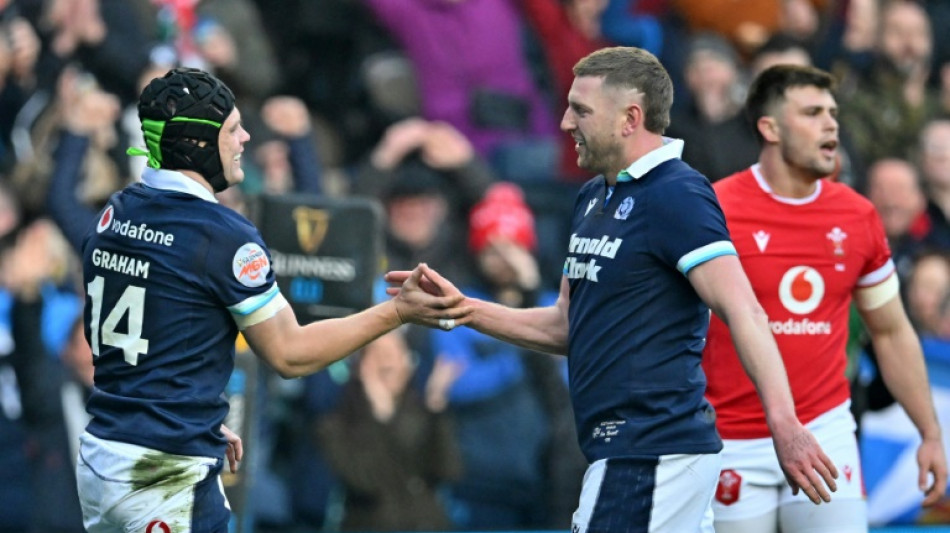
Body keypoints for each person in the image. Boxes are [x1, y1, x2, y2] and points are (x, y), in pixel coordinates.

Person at [387, 46, 837, 533]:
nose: (565, 123)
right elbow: (566, 324)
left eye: (580, 110)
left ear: (630, 119)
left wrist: (784, 424)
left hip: (650, 452)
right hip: (630, 453)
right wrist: (461, 309)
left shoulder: (676, 192)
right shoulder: (592, 196)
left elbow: (743, 310)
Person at [75, 67, 470, 533]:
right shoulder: (222, 234)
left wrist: (195, 414)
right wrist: (398, 311)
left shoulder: (118, 211)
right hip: (164, 471)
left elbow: (155, 328)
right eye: (232, 129)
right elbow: (290, 354)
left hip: (103, 453)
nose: (244, 138)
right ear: (198, 144)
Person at [703, 64, 947, 533]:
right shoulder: (714, 208)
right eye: (812, 113)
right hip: (731, 437)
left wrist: (930, 433)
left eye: (832, 113)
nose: (831, 124)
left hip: (825, 430)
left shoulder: (857, 216)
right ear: (770, 128)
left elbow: (891, 331)